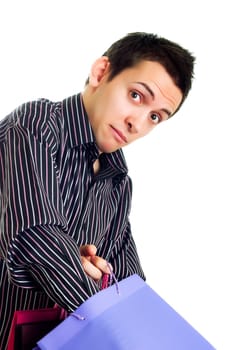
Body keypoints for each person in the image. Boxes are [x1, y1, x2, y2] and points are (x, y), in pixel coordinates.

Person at [0, 32, 195, 349]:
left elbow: (127, 284)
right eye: (136, 96)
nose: (138, 123)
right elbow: (36, 240)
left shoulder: (117, 180)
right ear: (101, 72)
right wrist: (116, 329)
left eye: (155, 117)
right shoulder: (35, 126)